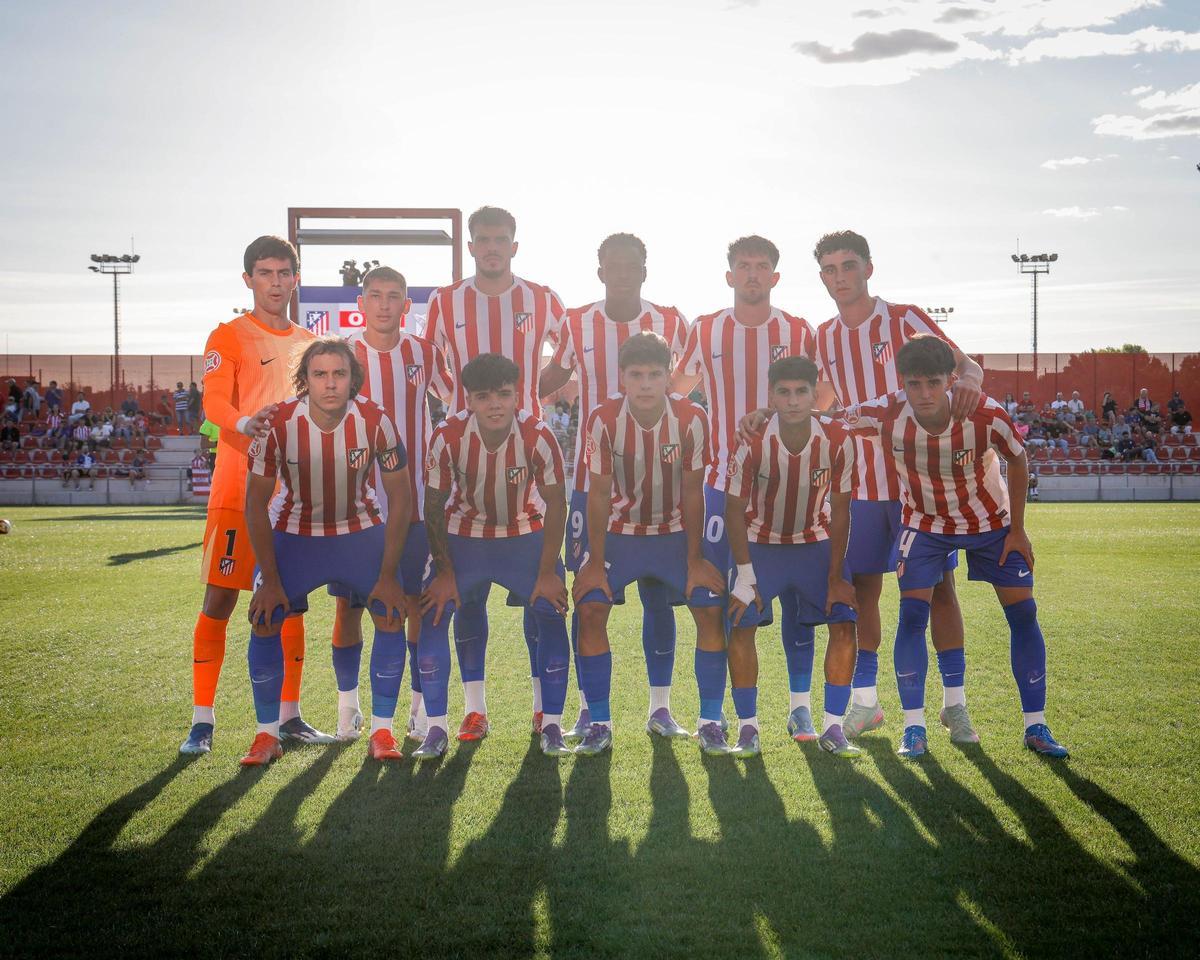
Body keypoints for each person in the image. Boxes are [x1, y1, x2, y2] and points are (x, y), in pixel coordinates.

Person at [837, 335, 1068, 759]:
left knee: (1023, 613)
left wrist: (1018, 530)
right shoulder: (887, 412)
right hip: (924, 526)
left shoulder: (984, 413)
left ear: (950, 380)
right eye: (914, 384)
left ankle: (1036, 725)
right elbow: (828, 419)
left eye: (933, 383)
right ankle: (914, 728)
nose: (924, 394)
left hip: (991, 524)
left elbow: (1018, 459)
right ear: (902, 383)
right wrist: (764, 417)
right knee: (911, 617)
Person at [797, 230, 984, 744]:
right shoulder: (824, 336)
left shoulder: (904, 318)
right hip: (859, 485)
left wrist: (968, 382)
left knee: (937, 591)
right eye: (831, 269)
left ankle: (955, 706)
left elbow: (964, 364)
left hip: (917, 485)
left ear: (868, 269)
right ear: (822, 278)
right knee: (862, 593)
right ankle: (866, 703)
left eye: (849, 266)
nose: (840, 277)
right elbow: (830, 397)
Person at [537, 233, 692, 739]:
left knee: (658, 598)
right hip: (592, 481)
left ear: (645, 269)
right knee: (590, 594)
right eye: (613, 265)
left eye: (632, 264)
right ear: (599, 269)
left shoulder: (670, 320)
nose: (622, 272)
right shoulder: (576, 321)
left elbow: (687, 381)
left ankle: (660, 708)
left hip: (662, 482)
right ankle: (589, 708)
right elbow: (552, 376)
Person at [422, 206, 566, 739]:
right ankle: (474, 708)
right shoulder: (445, 300)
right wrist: (462, 402)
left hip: (524, 444)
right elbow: (433, 360)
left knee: (540, 598)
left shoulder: (542, 298)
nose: (491, 247)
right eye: (481, 239)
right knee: (468, 598)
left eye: (500, 239)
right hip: (468, 442)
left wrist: (530, 396)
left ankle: (540, 706)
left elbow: (567, 354)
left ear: (514, 245)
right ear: (470, 245)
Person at [179, 235, 326, 757]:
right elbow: (215, 403)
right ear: (249, 280)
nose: (276, 282)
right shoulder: (229, 335)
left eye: (285, 272)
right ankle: (202, 720)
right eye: (265, 273)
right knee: (219, 599)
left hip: (293, 498)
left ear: (295, 278)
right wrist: (247, 423)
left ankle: (290, 717)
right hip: (239, 489)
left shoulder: (311, 343)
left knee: (292, 605)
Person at [671, 235, 818, 741]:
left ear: (775, 277)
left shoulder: (799, 330)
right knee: (712, 605)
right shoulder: (705, 329)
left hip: (788, 489)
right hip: (718, 485)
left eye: (761, 267)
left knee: (797, 603)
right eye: (743, 266)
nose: (752, 274)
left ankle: (800, 708)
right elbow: (676, 391)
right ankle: (712, 717)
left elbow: (824, 395)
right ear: (729, 275)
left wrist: (778, 414)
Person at [241, 337, 414, 766]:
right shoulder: (277, 423)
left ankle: (382, 731)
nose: (330, 384)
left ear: (352, 378)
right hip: (294, 536)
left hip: (359, 533)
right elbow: (254, 504)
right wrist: (270, 579)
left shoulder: (376, 419)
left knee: (391, 613)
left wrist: (390, 575)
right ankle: (266, 735)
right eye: (320, 374)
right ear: (304, 380)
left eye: (339, 374)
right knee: (264, 618)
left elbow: (401, 496)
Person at [569, 333, 726, 756]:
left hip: (674, 533)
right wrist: (595, 561)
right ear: (621, 377)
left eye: (655, 374)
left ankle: (707, 720)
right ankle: (598, 721)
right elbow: (599, 493)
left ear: (668, 375)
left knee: (709, 607)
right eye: (636, 375)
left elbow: (695, 492)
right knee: (591, 606)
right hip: (622, 533)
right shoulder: (603, 418)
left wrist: (695, 559)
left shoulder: (692, 416)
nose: (644, 384)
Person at [413, 353, 571, 759]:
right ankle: (443, 725)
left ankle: (551, 722)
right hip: (464, 536)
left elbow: (556, 503)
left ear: (517, 394)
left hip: (524, 534)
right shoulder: (448, 435)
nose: (495, 404)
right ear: (468, 399)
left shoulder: (537, 434)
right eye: (484, 397)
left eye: (503, 394)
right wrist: (444, 571)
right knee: (435, 610)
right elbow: (432, 506)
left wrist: (549, 570)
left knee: (550, 611)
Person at [329, 265, 453, 745]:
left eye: (394, 296)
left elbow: (456, 399)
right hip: (355, 508)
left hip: (417, 505)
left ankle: (419, 713)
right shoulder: (342, 356)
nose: (384, 304)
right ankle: (348, 709)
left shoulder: (424, 352)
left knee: (416, 608)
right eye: (375, 295)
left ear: (406, 305)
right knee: (348, 608)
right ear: (361, 303)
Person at [721, 356, 861, 758]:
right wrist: (745, 575)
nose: (793, 400)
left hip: (814, 544)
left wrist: (836, 575)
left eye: (802, 392)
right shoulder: (752, 437)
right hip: (760, 545)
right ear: (771, 395)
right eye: (783, 392)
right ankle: (748, 730)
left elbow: (841, 508)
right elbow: (733, 508)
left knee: (844, 621)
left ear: (815, 395)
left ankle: (834, 728)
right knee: (741, 624)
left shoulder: (837, 437)